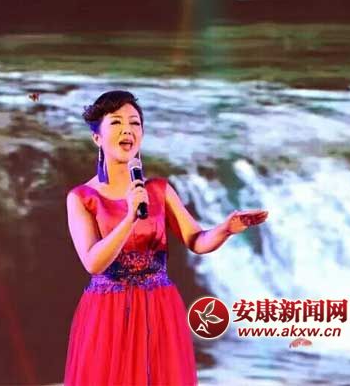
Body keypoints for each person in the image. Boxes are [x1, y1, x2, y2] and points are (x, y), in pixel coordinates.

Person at [63, 90, 268, 385]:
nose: (127, 130)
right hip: (108, 312)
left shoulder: (159, 190)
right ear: (97, 137)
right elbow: (93, 263)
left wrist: (225, 229)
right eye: (116, 122)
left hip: (159, 306)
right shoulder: (82, 198)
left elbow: (196, 240)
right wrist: (130, 216)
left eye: (135, 123)